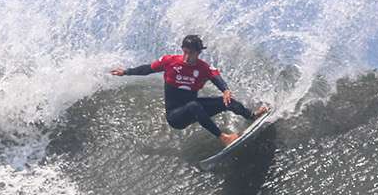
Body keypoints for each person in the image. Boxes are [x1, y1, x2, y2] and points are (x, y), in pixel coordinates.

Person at [111, 34, 269, 146]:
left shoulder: (203, 67)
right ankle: (224, 138)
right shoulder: (170, 61)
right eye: (184, 52)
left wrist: (226, 90)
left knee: (226, 102)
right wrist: (126, 72)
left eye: (191, 53)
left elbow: (216, 78)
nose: (186, 56)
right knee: (194, 105)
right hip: (175, 116)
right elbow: (147, 69)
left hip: (194, 109)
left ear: (198, 53)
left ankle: (252, 116)